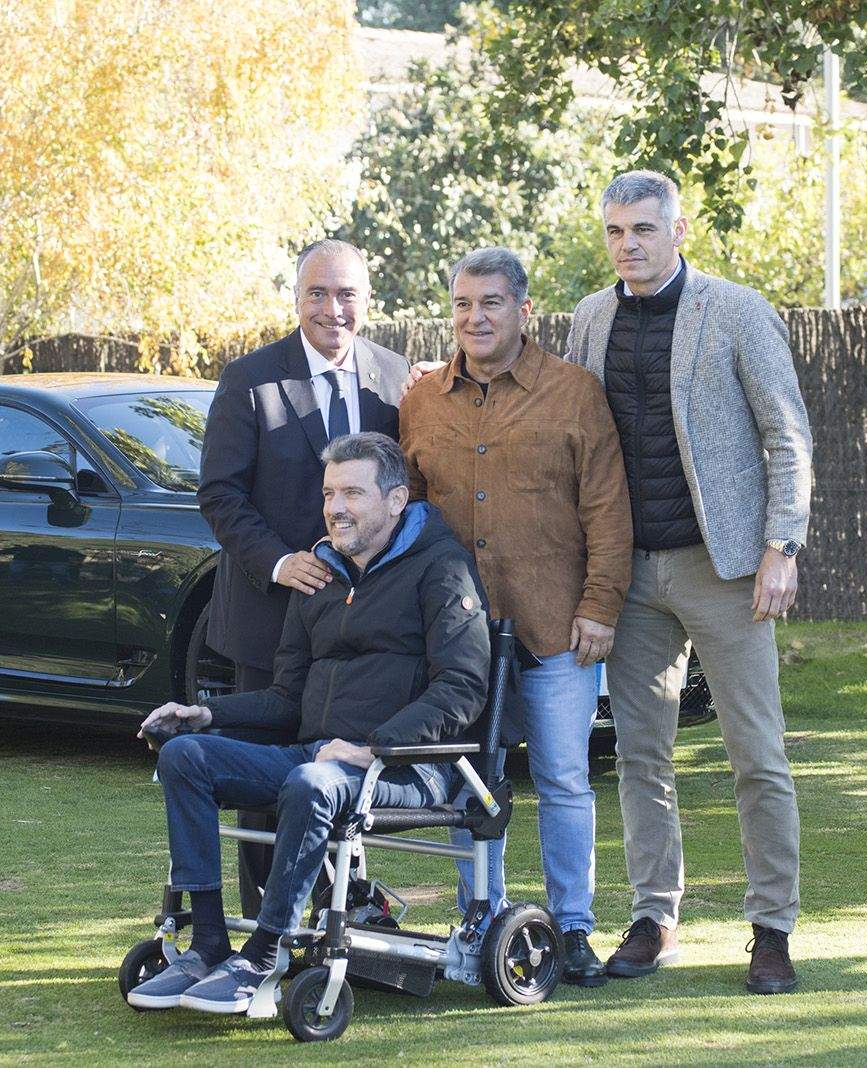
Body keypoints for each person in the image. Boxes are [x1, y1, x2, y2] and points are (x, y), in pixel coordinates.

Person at [128, 432, 490, 1014]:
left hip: (409, 768)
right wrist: (207, 714)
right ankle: (208, 944)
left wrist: (374, 747)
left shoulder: (443, 569)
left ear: (396, 500)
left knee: (311, 781)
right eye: (328, 494)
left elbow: (462, 688)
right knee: (185, 756)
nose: (336, 507)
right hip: (317, 758)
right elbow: (285, 700)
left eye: (353, 492)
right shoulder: (320, 574)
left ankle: (265, 953)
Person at [566, 170, 813, 994]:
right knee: (640, 753)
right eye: (614, 231)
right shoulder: (590, 319)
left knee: (757, 754)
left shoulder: (737, 310)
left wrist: (784, 543)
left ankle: (772, 927)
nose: (628, 243)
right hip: (629, 571)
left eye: (642, 228)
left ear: (678, 231)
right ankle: (654, 917)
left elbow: (787, 433)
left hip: (726, 568)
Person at [399, 247, 632, 987]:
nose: (475, 318)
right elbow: (404, 519)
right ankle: (485, 921)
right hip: (459, 640)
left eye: (491, 303)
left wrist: (600, 607)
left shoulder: (575, 394)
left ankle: (571, 929)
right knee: (477, 783)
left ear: (524, 310)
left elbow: (607, 510)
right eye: (463, 304)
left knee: (564, 779)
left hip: (556, 626)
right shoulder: (421, 399)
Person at [196, 239, 411, 909]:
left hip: (360, 630)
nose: (332, 308)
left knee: (341, 768)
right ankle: (266, 926)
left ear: (367, 301)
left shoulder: (395, 379)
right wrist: (279, 563)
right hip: (268, 623)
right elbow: (220, 495)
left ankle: (339, 910)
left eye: (346, 294)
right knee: (263, 778)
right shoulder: (249, 380)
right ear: (296, 298)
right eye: (317, 293)